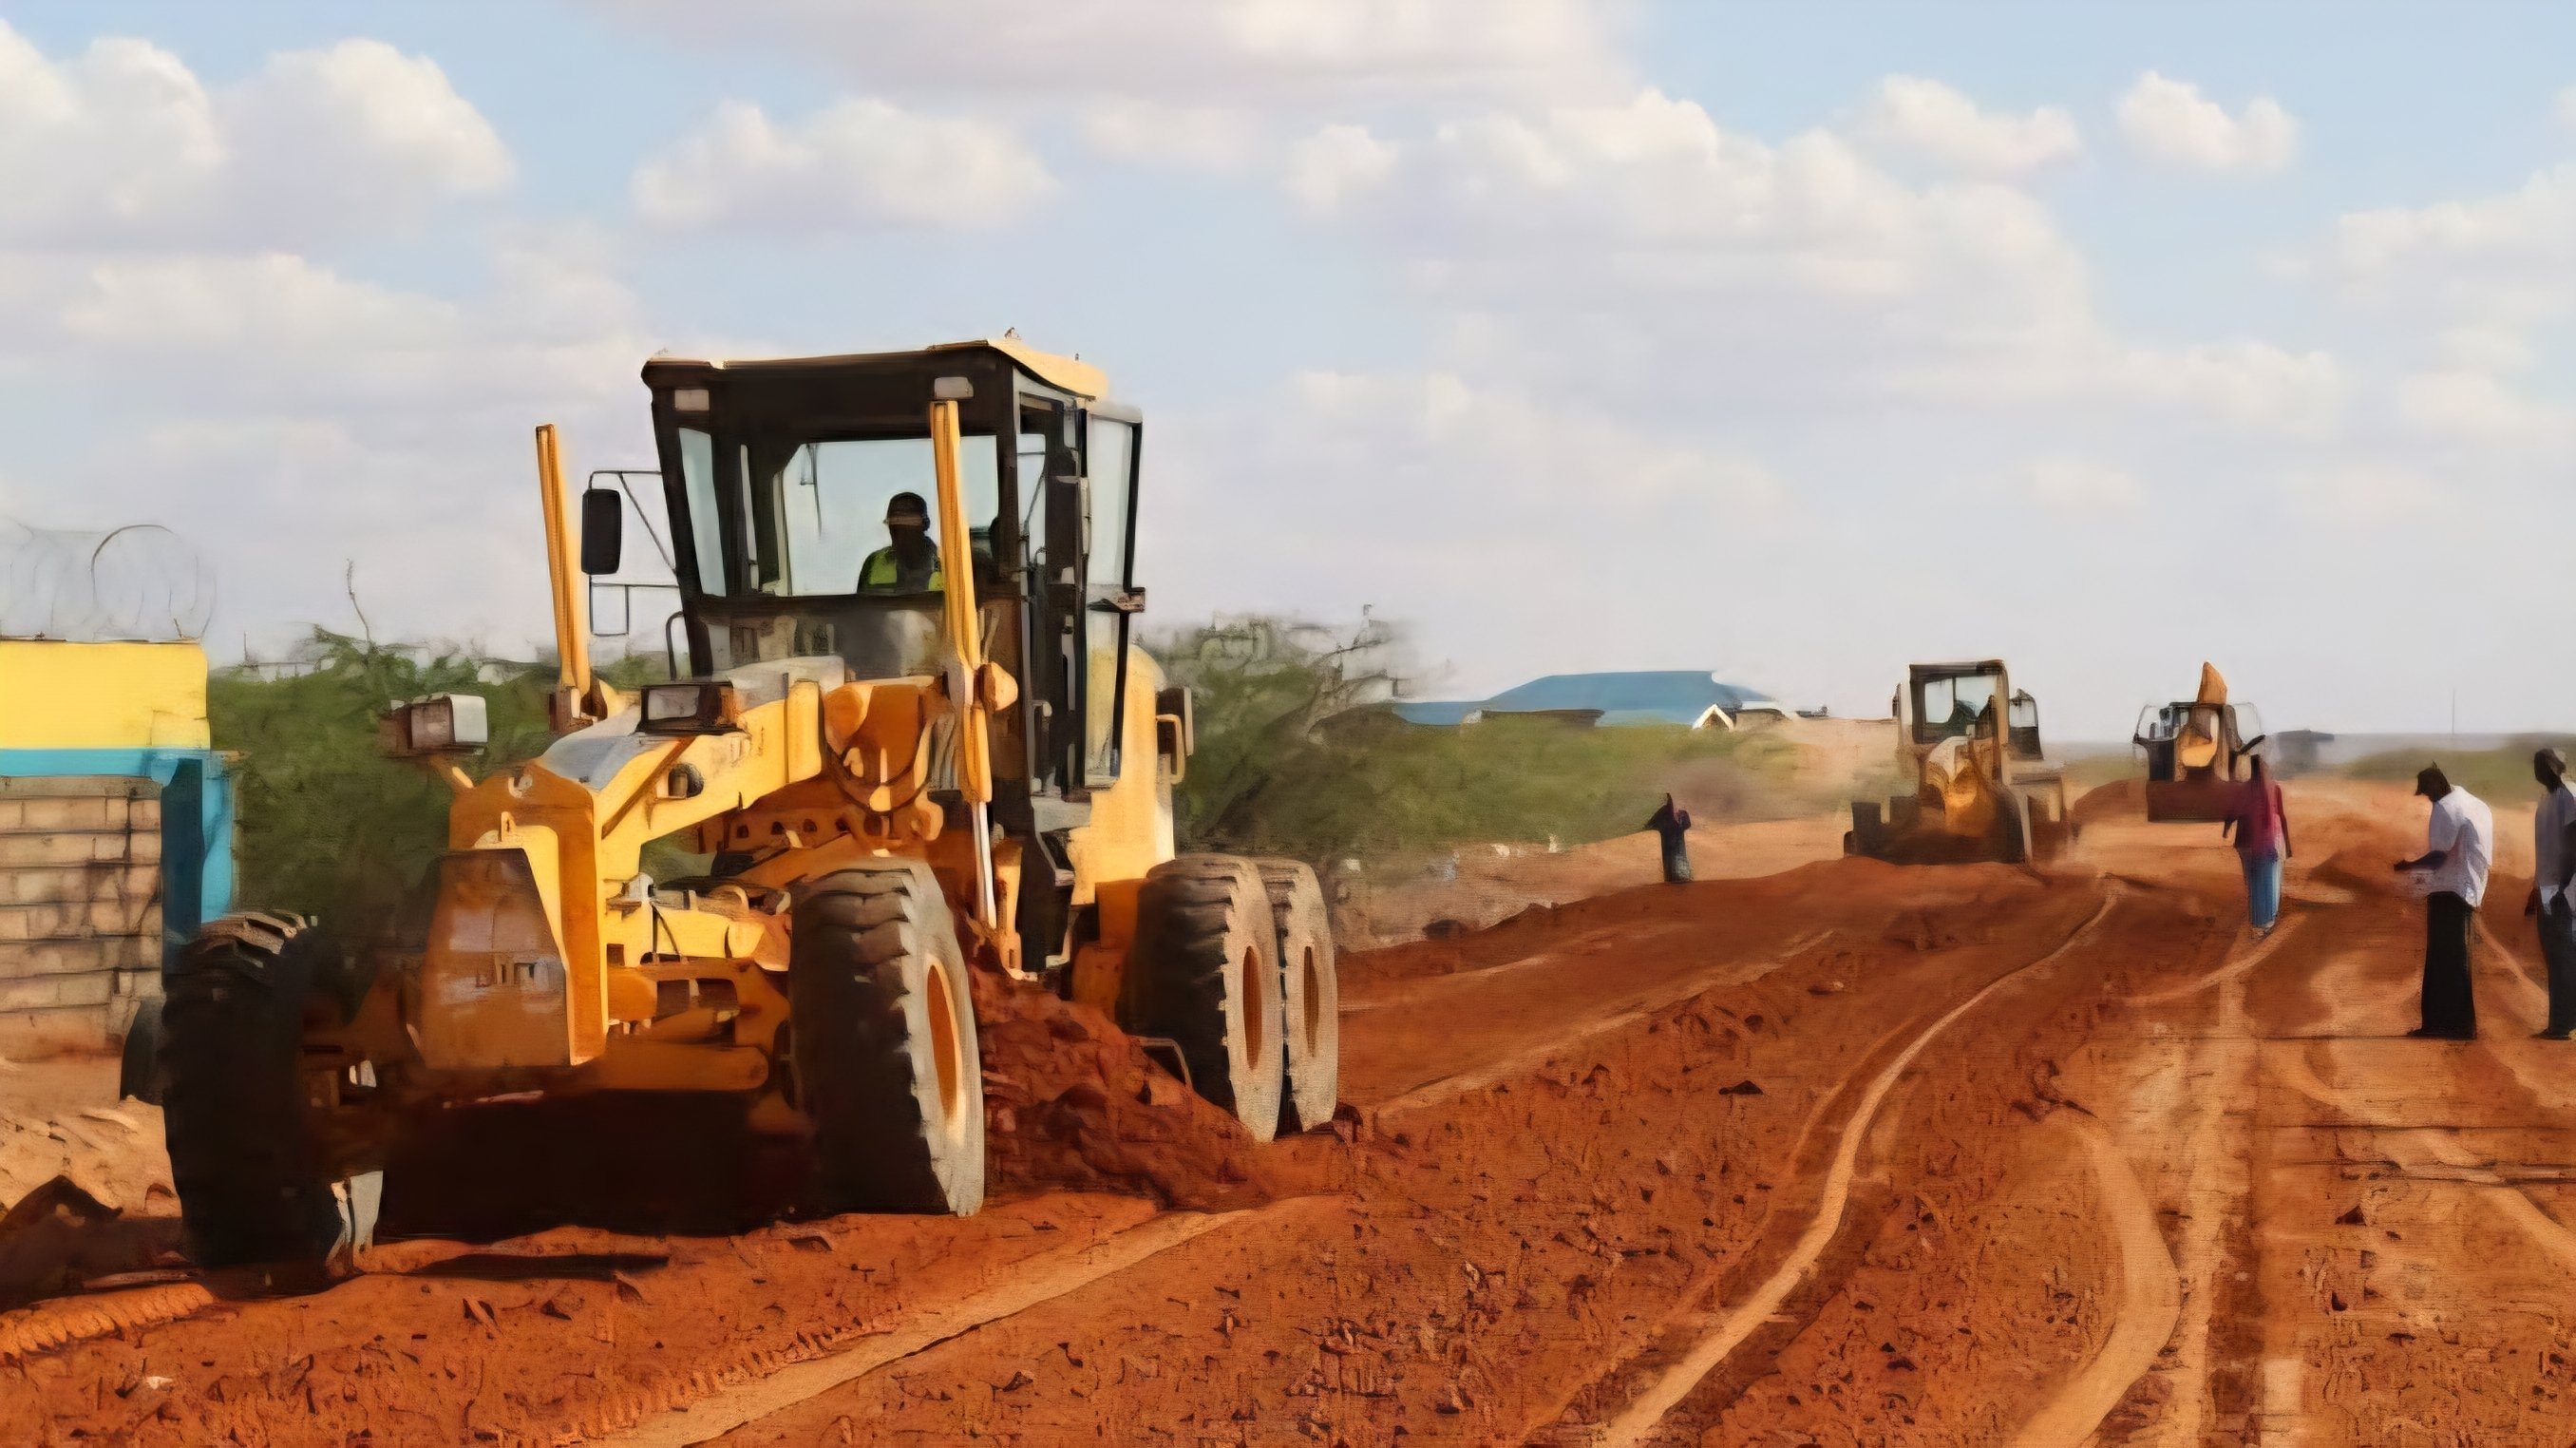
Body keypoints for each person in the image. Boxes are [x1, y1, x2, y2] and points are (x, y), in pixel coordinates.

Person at [2394, 765, 2493, 1040]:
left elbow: (2438, 856)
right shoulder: (2475, 803)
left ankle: (2441, 1025)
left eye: (2427, 793)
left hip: (2449, 889)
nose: (2428, 798)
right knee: (2456, 960)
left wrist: (2408, 866)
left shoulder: (2446, 809)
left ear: (2436, 786)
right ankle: (2460, 1025)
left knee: (2442, 960)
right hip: (2470, 887)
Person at [2526, 748, 2576, 1039]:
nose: (2538, 769)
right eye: (2536, 763)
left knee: (2566, 958)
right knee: (2556, 959)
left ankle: (2561, 1026)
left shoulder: (2570, 796)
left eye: (2543, 763)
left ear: (2557, 767)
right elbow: (2545, 851)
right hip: (2547, 890)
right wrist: (2534, 890)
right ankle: (2559, 1023)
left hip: (2564, 892)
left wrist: (2566, 890)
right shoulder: (2546, 801)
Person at [2221, 754, 2291, 934]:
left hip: (2245, 843)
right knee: (2270, 880)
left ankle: (2257, 923)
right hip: (2268, 843)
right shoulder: (2274, 788)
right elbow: (2281, 817)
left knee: (2253, 882)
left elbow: (2232, 812)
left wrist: (2227, 827)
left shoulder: (2244, 790)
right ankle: (2267, 921)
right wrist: (2287, 845)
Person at [858, 491, 942, 592]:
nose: (899, 529)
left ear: (925, 525)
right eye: (893, 522)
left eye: (908, 522)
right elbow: (861, 605)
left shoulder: (945, 565)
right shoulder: (874, 564)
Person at [1645, 794, 1694, 884]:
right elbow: (1650, 825)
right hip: (1669, 840)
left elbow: (1650, 825)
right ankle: (1678, 877)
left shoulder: (1679, 813)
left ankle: (1680, 876)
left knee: (1676, 860)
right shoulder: (1666, 812)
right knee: (1673, 861)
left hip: (1673, 840)